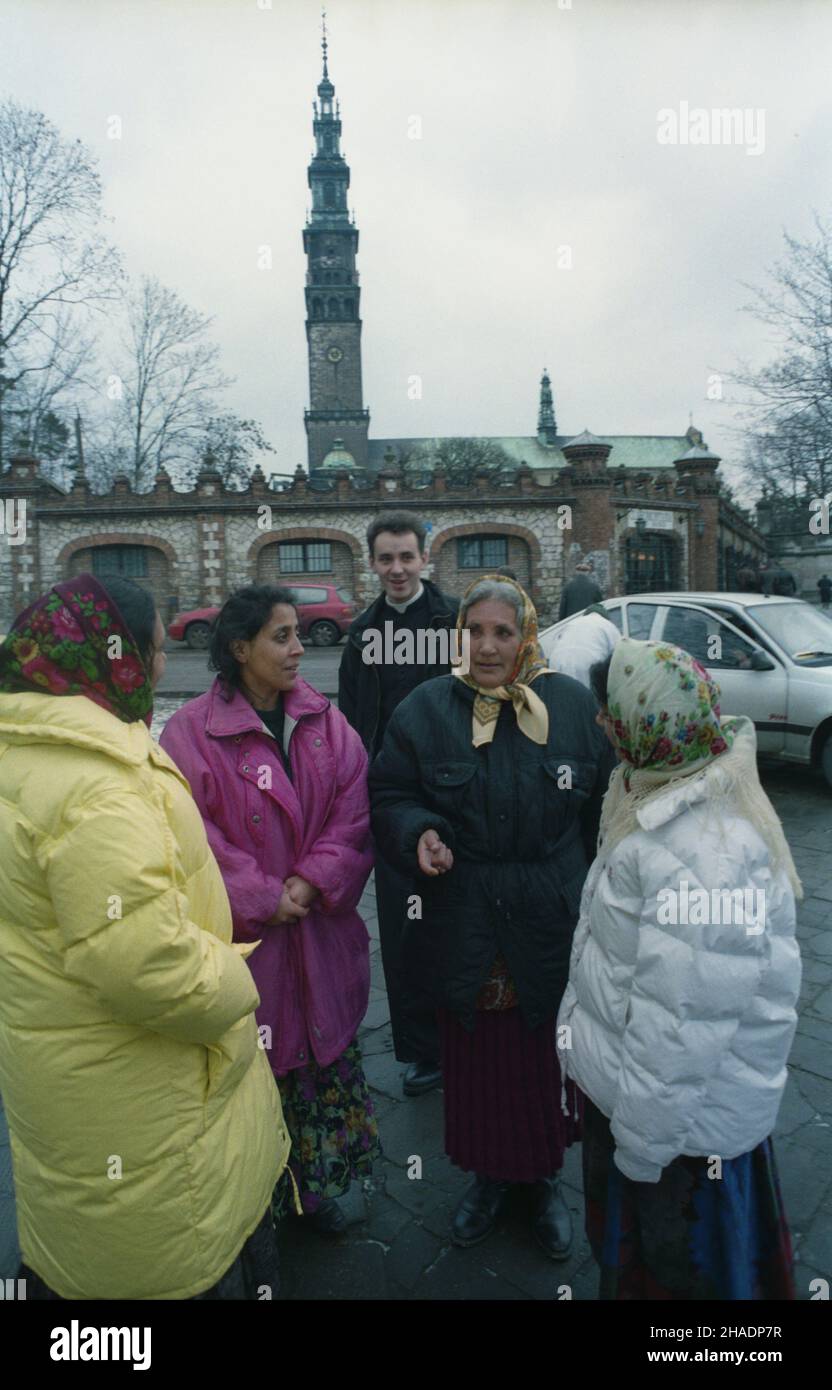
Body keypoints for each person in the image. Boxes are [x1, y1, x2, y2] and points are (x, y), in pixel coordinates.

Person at [0, 574, 287, 1299]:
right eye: (154, 648)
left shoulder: (23, 749)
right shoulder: (95, 785)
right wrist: (237, 979)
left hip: (68, 1072)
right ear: (115, 657)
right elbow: (146, 965)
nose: (160, 664)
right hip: (146, 1099)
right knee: (162, 1258)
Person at [369, 576, 617, 1258]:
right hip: (465, 915)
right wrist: (417, 830)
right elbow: (390, 791)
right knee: (478, 1059)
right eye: (474, 631)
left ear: (527, 635)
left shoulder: (570, 706)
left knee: (542, 1059)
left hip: (549, 913)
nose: (486, 646)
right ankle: (485, 1181)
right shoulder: (425, 709)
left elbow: (602, 812)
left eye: (502, 632)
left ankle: (539, 1184)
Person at [558, 637, 802, 1300]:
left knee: (681, 1283)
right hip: (666, 1118)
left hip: (678, 1144)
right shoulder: (660, 788)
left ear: (643, 724)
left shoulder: (702, 851)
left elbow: (680, 1032)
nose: (601, 727)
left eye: (611, 713)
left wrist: (638, 1153)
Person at [160, 584, 378, 1236]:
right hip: (247, 951)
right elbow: (188, 833)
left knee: (317, 1068)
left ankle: (312, 1194)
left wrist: (312, 882)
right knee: (252, 1079)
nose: (297, 648)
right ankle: (254, 1202)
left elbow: (355, 810)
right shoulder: (189, 732)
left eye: (297, 635)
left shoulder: (325, 721)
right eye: (281, 636)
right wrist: (260, 896)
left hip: (320, 936)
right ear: (240, 647)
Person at [338, 511, 459, 1097]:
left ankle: (473, 1037)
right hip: (393, 799)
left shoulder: (454, 621)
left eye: (406, 557)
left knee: (463, 923)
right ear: (373, 563)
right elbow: (355, 722)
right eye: (385, 558)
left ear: (423, 558)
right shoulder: (364, 634)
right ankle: (421, 1047)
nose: (397, 569)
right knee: (405, 931)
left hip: (459, 796)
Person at [541, 603, 621, 688]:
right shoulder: (608, 625)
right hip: (587, 664)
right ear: (605, 617)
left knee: (563, 695)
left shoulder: (572, 623)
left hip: (556, 662)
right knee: (587, 696)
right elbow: (620, 654)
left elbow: (557, 642)